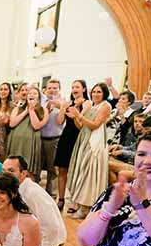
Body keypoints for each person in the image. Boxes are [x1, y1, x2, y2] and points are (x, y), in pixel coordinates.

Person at [3, 156, 76, 246]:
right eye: (3, 171)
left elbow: (51, 226)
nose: (5, 175)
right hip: (28, 239)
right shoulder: (12, 190)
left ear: (23, 174)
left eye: (11, 171)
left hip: (48, 243)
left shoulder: (33, 194)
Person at [66, 82, 111, 218]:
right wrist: (75, 116)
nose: (96, 94)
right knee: (81, 171)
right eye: (94, 92)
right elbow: (81, 126)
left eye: (99, 92)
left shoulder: (106, 106)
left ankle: (87, 206)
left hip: (95, 141)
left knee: (89, 172)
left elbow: (95, 125)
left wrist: (79, 116)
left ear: (104, 94)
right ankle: (80, 204)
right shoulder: (92, 105)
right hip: (85, 139)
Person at [54, 79, 88, 211]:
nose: (74, 89)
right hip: (66, 137)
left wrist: (77, 110)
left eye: (77, 87)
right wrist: (63, 108)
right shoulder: (68, 103)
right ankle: (61, 199)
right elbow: (59, 121)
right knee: (62, 170)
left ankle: (74, 200)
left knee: (76, 171)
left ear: (84, 89)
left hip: (78, 138)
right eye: (73, 87)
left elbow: (81, 126)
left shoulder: (87, 103)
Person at [6, 87, 48, 180]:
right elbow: (12, 123)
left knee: (29, 169)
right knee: (14, 167)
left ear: (39, 97)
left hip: (31, 143)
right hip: (16, 142)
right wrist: (25, 111)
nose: (31, 95)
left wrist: (32, 110)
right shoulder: (18, 108)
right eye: (29, 93)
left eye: (34, 93)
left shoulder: (44, 110)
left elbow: (36, 126)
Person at [40, 79, 65, 197]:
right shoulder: (40, 101)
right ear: (45, 89)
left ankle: (51, 194)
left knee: (52, 169)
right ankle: (36, 193)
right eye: (50, 88)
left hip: (54, 139)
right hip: (39, 138)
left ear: (59, 89)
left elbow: (61, 122)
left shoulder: (63, 103)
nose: (52, 90)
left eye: (55, 88)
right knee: (36, 166)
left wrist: (58, 105)